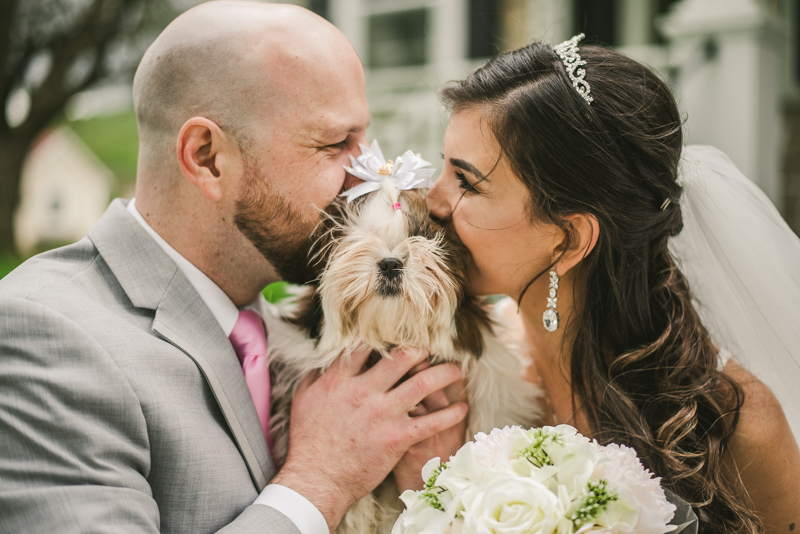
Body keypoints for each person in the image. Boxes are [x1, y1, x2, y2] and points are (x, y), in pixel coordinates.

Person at [0, 3, 468, 533]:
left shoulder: (297, 327)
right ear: (207, 158)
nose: (365, 177)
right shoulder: (43, 336)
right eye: (337, 145)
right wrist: (321, 480)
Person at [397, 38, 800, 532]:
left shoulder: (732, 427)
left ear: (568, 240)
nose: (430, 200)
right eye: (442, 166)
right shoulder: (452, 376)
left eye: (467, 181)